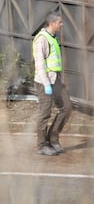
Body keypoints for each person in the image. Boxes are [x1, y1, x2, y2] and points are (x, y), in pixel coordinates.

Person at [33, 11, 72, 156]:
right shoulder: (41, 39)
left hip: (55, 80)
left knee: (66, 108)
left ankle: (53, 138)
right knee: (45, 113)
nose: (61, 25)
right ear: (52, 23)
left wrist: (59, 80)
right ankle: (41, 145)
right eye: (60, 22)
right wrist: (46, 84)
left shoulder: (52, 37)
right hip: (45, 82)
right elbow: (40, 64)